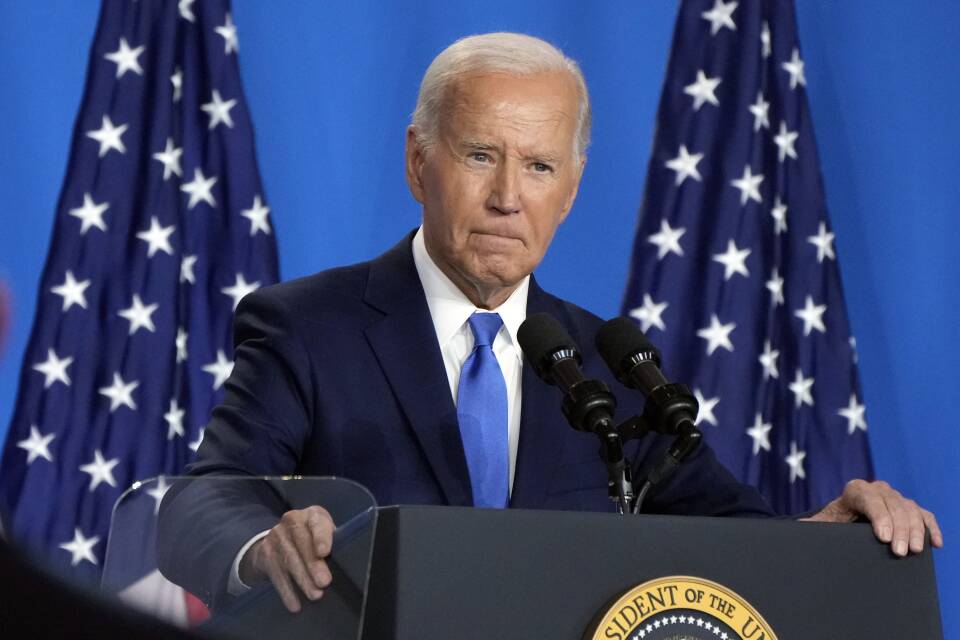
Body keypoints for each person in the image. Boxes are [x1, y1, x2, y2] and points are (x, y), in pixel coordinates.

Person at [158, 32, 942, 613]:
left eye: (539, 167)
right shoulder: (307, 328)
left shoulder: (610, 366)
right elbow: (202, 502)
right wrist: (263, 548)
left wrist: (827, 532)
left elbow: (732, 539)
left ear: (569, 190)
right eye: (480, 156)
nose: (508, 197)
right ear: (418, 161)